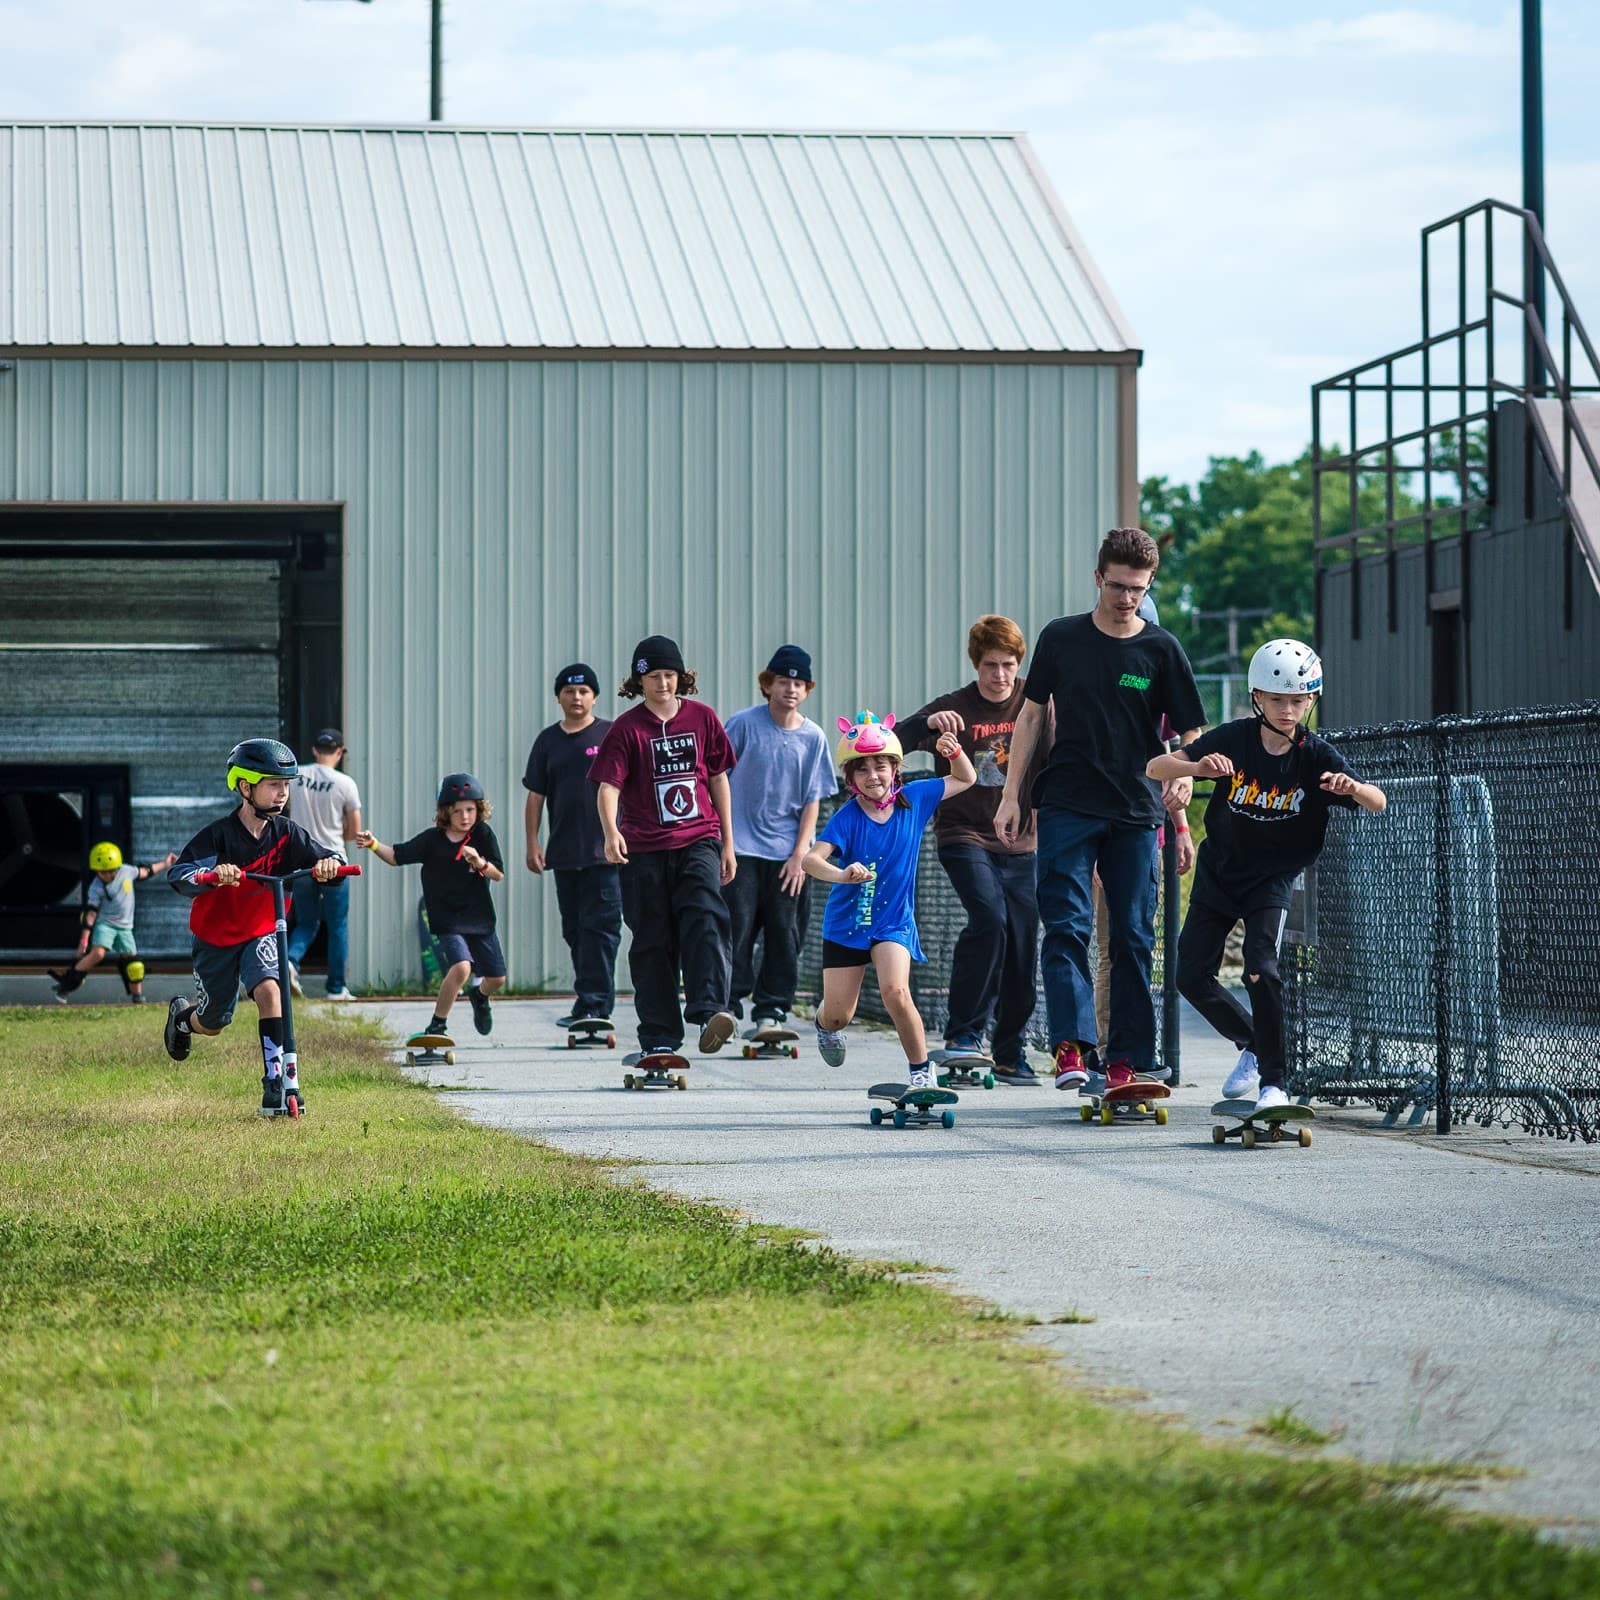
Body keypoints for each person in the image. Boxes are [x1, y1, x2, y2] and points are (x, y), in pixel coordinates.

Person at [995, 527, 1206, 1095]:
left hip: (1136, 812)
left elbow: (1191, 730)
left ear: (1149, 586)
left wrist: (1184, 773)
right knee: (1066, 925)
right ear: (1097, 578)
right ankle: (1071, 1048)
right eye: (1117, 586)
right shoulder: (1061, 639)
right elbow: (1032, 717)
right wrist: (1013, 794)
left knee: (1134, 936)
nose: (1126, 598)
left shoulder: (1160, 649)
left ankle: (1127, 1061)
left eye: (1138, 588)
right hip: (1067, 803)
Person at [1149, 639, 1386, 1110]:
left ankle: (1275, 1084)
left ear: (1311, 700)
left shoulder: (1316, 756)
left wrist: (1353, 788)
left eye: (1298, 700)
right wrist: (1196, 766)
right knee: (1190, 976)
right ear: (1258, 697)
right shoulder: (1234, 738)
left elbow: (1377, 801)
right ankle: (1255, 1044)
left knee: (1261, 965)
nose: (1288, 709)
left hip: (1273, 878)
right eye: (1278, 699)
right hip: (1220, 871)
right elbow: (1156, 765)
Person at [897, 616, 1052, 1083]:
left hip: (1023, 840)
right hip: (964, 835)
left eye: (1007, 665)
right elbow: (894, 741)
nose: (999, 675)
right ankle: (964, 1034)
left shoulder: (1037, 702)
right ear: (976, 664)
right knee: (989, 918)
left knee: (1023, 940)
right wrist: (927, 723)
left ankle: (1010, 1049)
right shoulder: (955, 707)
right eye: (990, 666)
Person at [163, 739, 344, 1116]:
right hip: (216, 938)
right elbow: (179, 875)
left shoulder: (287, 834)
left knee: (270, 992)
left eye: (286, 784)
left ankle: (277, 1084)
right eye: (273, 784)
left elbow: (328, 857)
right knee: (213, 1023)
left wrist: (331, 866)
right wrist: (213, 874)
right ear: (245, 787)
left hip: (263, 928)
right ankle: (183, 1018)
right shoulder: (218, 836)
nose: (283, 793)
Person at [803, 711, 976, 1090]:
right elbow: (811, 860)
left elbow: (966, 778)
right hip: (847, 925)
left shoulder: (914, 799)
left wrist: (954, 751)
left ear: (895, 768)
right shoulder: (847, 818)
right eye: (862, 769)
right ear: (851, 779)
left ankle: (920, 1072)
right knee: (838, 1017)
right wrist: (841, 874)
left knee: (896, 992)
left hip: (893, 922)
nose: (873, 776)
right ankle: (823, 1024)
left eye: (880, 765)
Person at [588, 635, 740, 1058]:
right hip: (644, 848)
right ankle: (659, 1034)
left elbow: (718, 779)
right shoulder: (626, 728)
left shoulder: (703, 718)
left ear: (682, 677)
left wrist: (728, 842)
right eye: (654, 676)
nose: (663, 684)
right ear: (639, 681)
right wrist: (610, 831)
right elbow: (608, 786)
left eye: (670, 675)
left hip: (699, 838)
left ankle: (711, 1010)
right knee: (652, 939)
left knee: (706, 915)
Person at [722, 645, 835, 1031]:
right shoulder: (742, 725)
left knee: (785, 933)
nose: (790, 689)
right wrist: (723, 841)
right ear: (768, 685)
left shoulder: (813, 737)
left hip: (788, 852)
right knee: (736, 927)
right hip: (740, 848)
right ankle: (728, 1005)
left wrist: (800, 853)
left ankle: (772, 1009)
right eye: (783, 681)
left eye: (799, 683)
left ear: (807, 690)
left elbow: (812, 799)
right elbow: (714, 778)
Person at [357, 774, 506, 1041]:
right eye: (458, 811)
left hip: (480, 917)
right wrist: (373, 844)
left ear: (479, 809)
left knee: (497, 979)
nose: (465, 817)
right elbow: (396, 856)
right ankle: (437, 1024)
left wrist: (479, 862)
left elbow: (498, 874)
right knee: (462, 967)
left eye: (471, 810)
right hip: (447, 918)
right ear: (445, 812)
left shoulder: (482, 835)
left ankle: (479, 996)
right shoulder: (432, 840)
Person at [524, 663, 622, 1027]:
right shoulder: (548, 741)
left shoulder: (611, 735)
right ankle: (589, 1001)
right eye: (569, 691)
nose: (576, 697)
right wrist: (532, 842)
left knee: (602, 930)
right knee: (575, 931)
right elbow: (535, 796)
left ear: (594, 696)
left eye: (583, 691)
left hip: (606, 855)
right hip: (563, 854)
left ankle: (596, 1005)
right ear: (558, 698)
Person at [49, 840, 177, 1005]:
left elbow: (146, 872)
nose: (107, 875)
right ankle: (66, 984)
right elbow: (90, 914)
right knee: (98, 954)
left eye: (110, 871)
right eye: (102, 873)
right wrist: (84, 940)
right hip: (106, 925)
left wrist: (166, 863)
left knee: (134, 965)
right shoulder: (96, 887)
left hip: (125, 928)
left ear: (117, 867)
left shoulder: (126, 871)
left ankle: (137, 997)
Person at [285, 727, 362, 1000]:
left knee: (306, 922)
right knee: (337, 924)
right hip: (334, 861)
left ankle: (290, 963)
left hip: (301, 861)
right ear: (339, 752)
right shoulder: (345, 783)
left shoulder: (296, 777)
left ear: (315, 751)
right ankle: (336, 988)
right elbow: (354, 830)